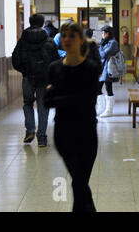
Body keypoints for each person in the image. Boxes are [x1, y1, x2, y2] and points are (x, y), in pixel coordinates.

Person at [44, 22, 99, 212]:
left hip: (87, 134)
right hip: (63, 135)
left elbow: (87, 102)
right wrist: (71, 97)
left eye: (72, 36)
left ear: (81, 40)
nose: (67, 39)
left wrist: (59, 95)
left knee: (79, 184)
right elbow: (46, 102)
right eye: (64, 35)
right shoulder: (54, 68)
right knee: (79, 183)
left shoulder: (91, 69)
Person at [12, 14, 59, 147]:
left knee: (27, 103)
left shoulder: (22, 41)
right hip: (44, 79)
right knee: (43, 107)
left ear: (29, 22)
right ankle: (42, 138)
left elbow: (15, 60)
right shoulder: (49, 41)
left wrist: (24, 71)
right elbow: (56, 62)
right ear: (42, 23)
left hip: (28, 78)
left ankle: (30, 130)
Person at [98, 25, 119, 118]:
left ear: (109, 33)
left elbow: (104, 54)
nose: (103, 35)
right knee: (98, 88)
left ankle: (108, 110)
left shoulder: (113, 42)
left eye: (104, 33)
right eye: (102, 33)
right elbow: (101, 54)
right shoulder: (105, 42)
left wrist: (101, 50)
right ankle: (102, 108)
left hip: (109, 68)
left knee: (108, 87)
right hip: (104, 68)